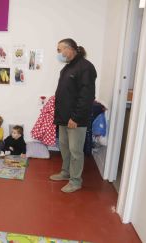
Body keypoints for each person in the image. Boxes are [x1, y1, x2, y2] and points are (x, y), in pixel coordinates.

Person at [50, 38, 97, 193]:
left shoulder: (85, 68)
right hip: (63, 118)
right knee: (64, 146)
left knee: (75, 150)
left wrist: (75, 118)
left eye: (60, 49)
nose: (58, 53)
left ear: (70, 49)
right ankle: (66, 172)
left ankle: (76, 181)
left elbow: (86, 96)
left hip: (75, 119)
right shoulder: (68, 67)